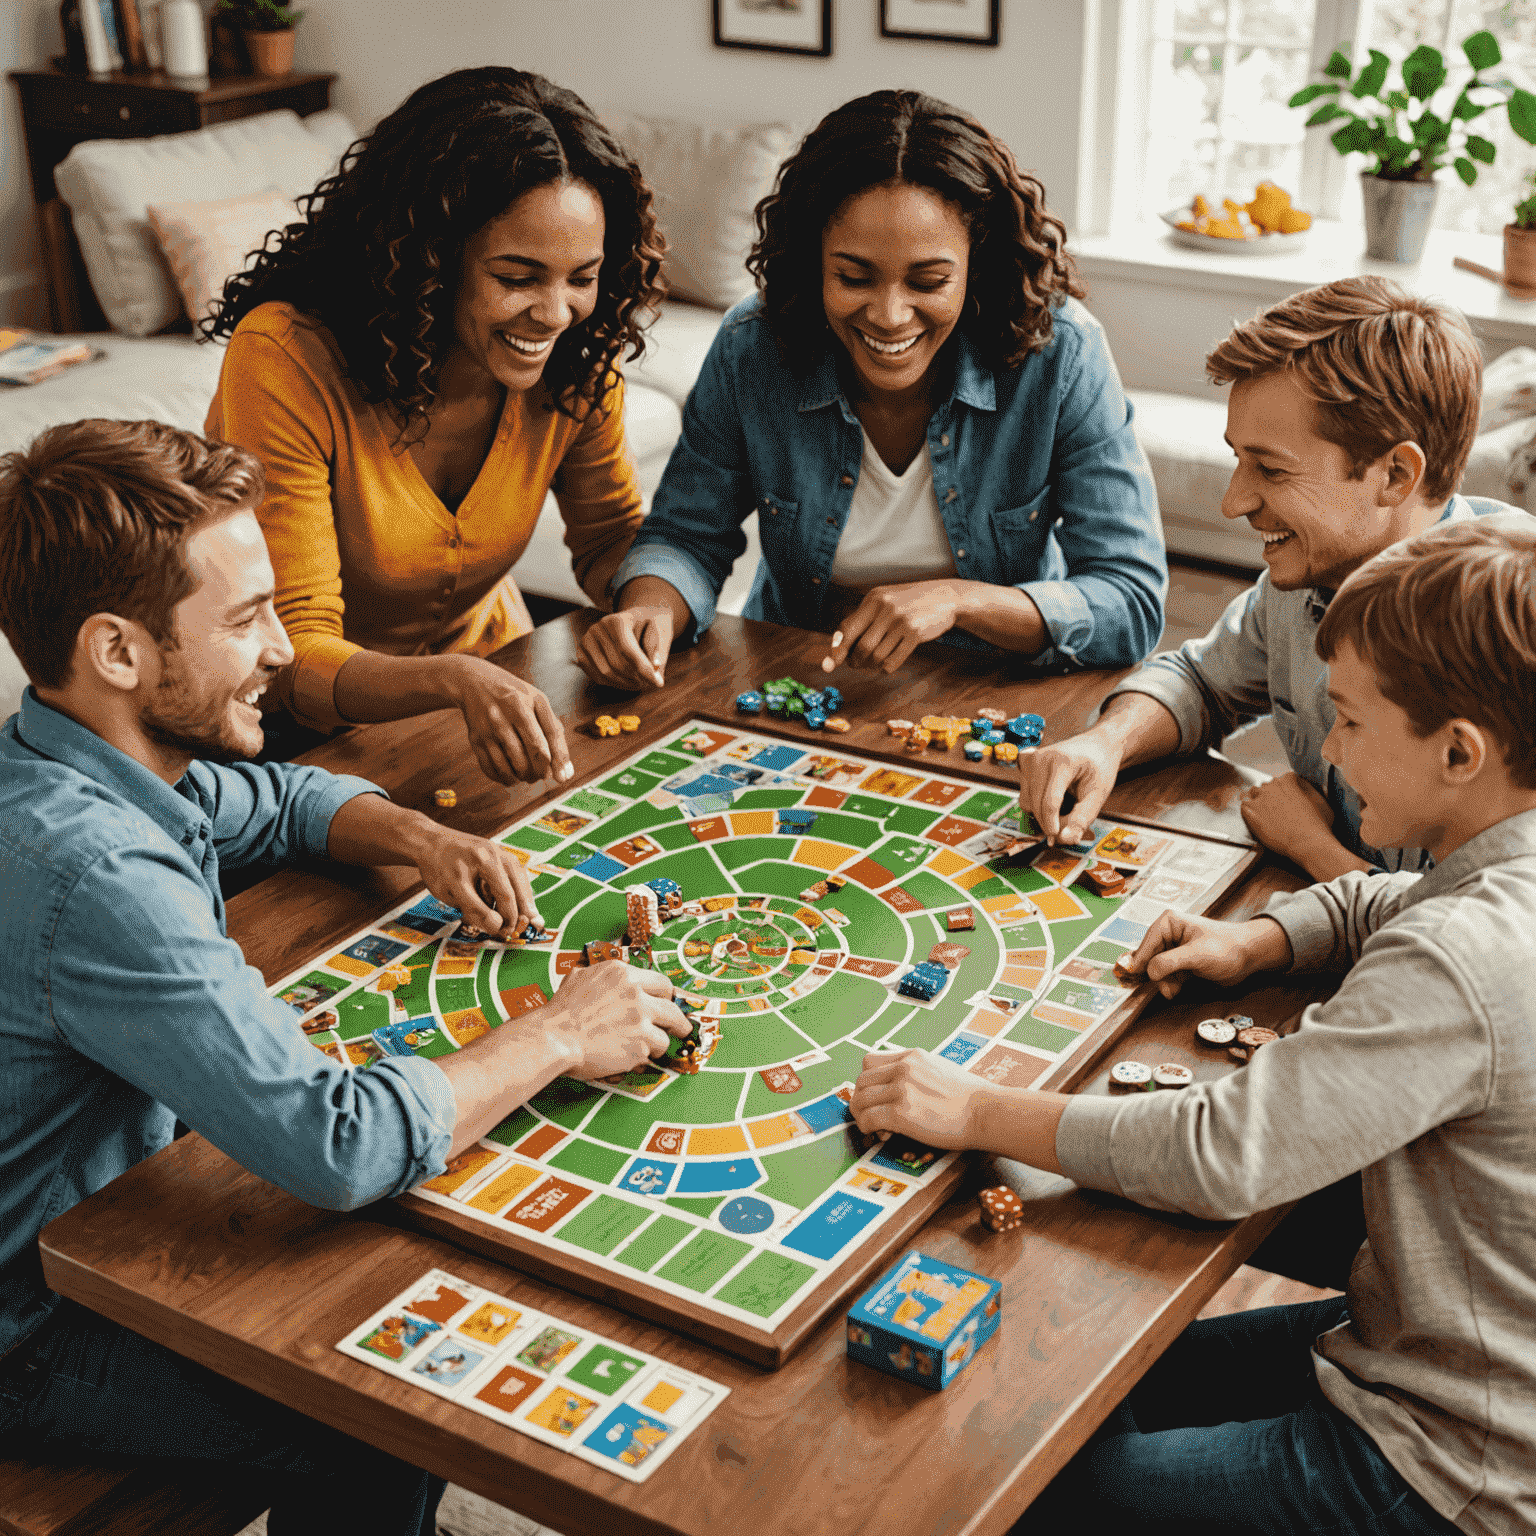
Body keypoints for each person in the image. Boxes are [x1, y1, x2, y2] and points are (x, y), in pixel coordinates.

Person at [0, 420, 689, 1535]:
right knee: (390, 1397)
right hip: (32, 1326)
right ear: (119, 654)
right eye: (245, 618)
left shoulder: (77, 757)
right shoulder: (97, 876)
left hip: (101, 1220)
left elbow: (277, 803)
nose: (282, 649)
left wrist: (422, 838)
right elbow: (339, 1144)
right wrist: (560, 1033)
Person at [852, 518, 1536, 1536]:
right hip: (1436, 1340)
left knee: (1021, 1486)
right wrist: (1257, 942)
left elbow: (1222, 1157)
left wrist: (979, 1109)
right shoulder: (1496, 865)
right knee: (1078, 1380)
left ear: (1458, 751)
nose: (1330, 753)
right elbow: (1387, 903)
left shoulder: (1459, 961)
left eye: (1347, 720)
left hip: (1457, 1457)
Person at [577, 89, 1165, 690]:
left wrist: (962, 601)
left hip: (994, 691)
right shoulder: (754, 348)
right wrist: (648, 609)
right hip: (800, 681)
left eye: (929, 281)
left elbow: (1132, 598)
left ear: (977, 266)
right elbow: (686, 534)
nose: (889, 315)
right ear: (813, 262)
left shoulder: (1060, 353)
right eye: (853, 276)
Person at [206, 66, 666, 785]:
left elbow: (610, 538)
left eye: (581, 277)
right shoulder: (284, 357)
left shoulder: (578, 356)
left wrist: (647, 607)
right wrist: (455, 683)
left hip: (489, 691)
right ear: (429, 260)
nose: (554, 313)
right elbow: (297, 649)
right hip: (294, 737)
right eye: (517, 277)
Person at [1020, 276, 1524, 884]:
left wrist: (1317, 850)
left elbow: (1478, 930)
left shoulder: (1509, 634)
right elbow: (1201, 683)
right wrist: (1105, 743)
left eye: (1271, 469)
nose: (1234, 501)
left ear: (1394, 475)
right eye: (1238, 457)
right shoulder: (1311, 578)